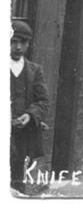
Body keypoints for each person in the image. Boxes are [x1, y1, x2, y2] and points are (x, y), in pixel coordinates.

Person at [10, 20, 49, 194]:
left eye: (23, 42)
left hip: (24, 137)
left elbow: (43, 101)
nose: (18, 47)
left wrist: (30, 115)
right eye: (13, 41)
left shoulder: (35, 70)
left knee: (21, 179)